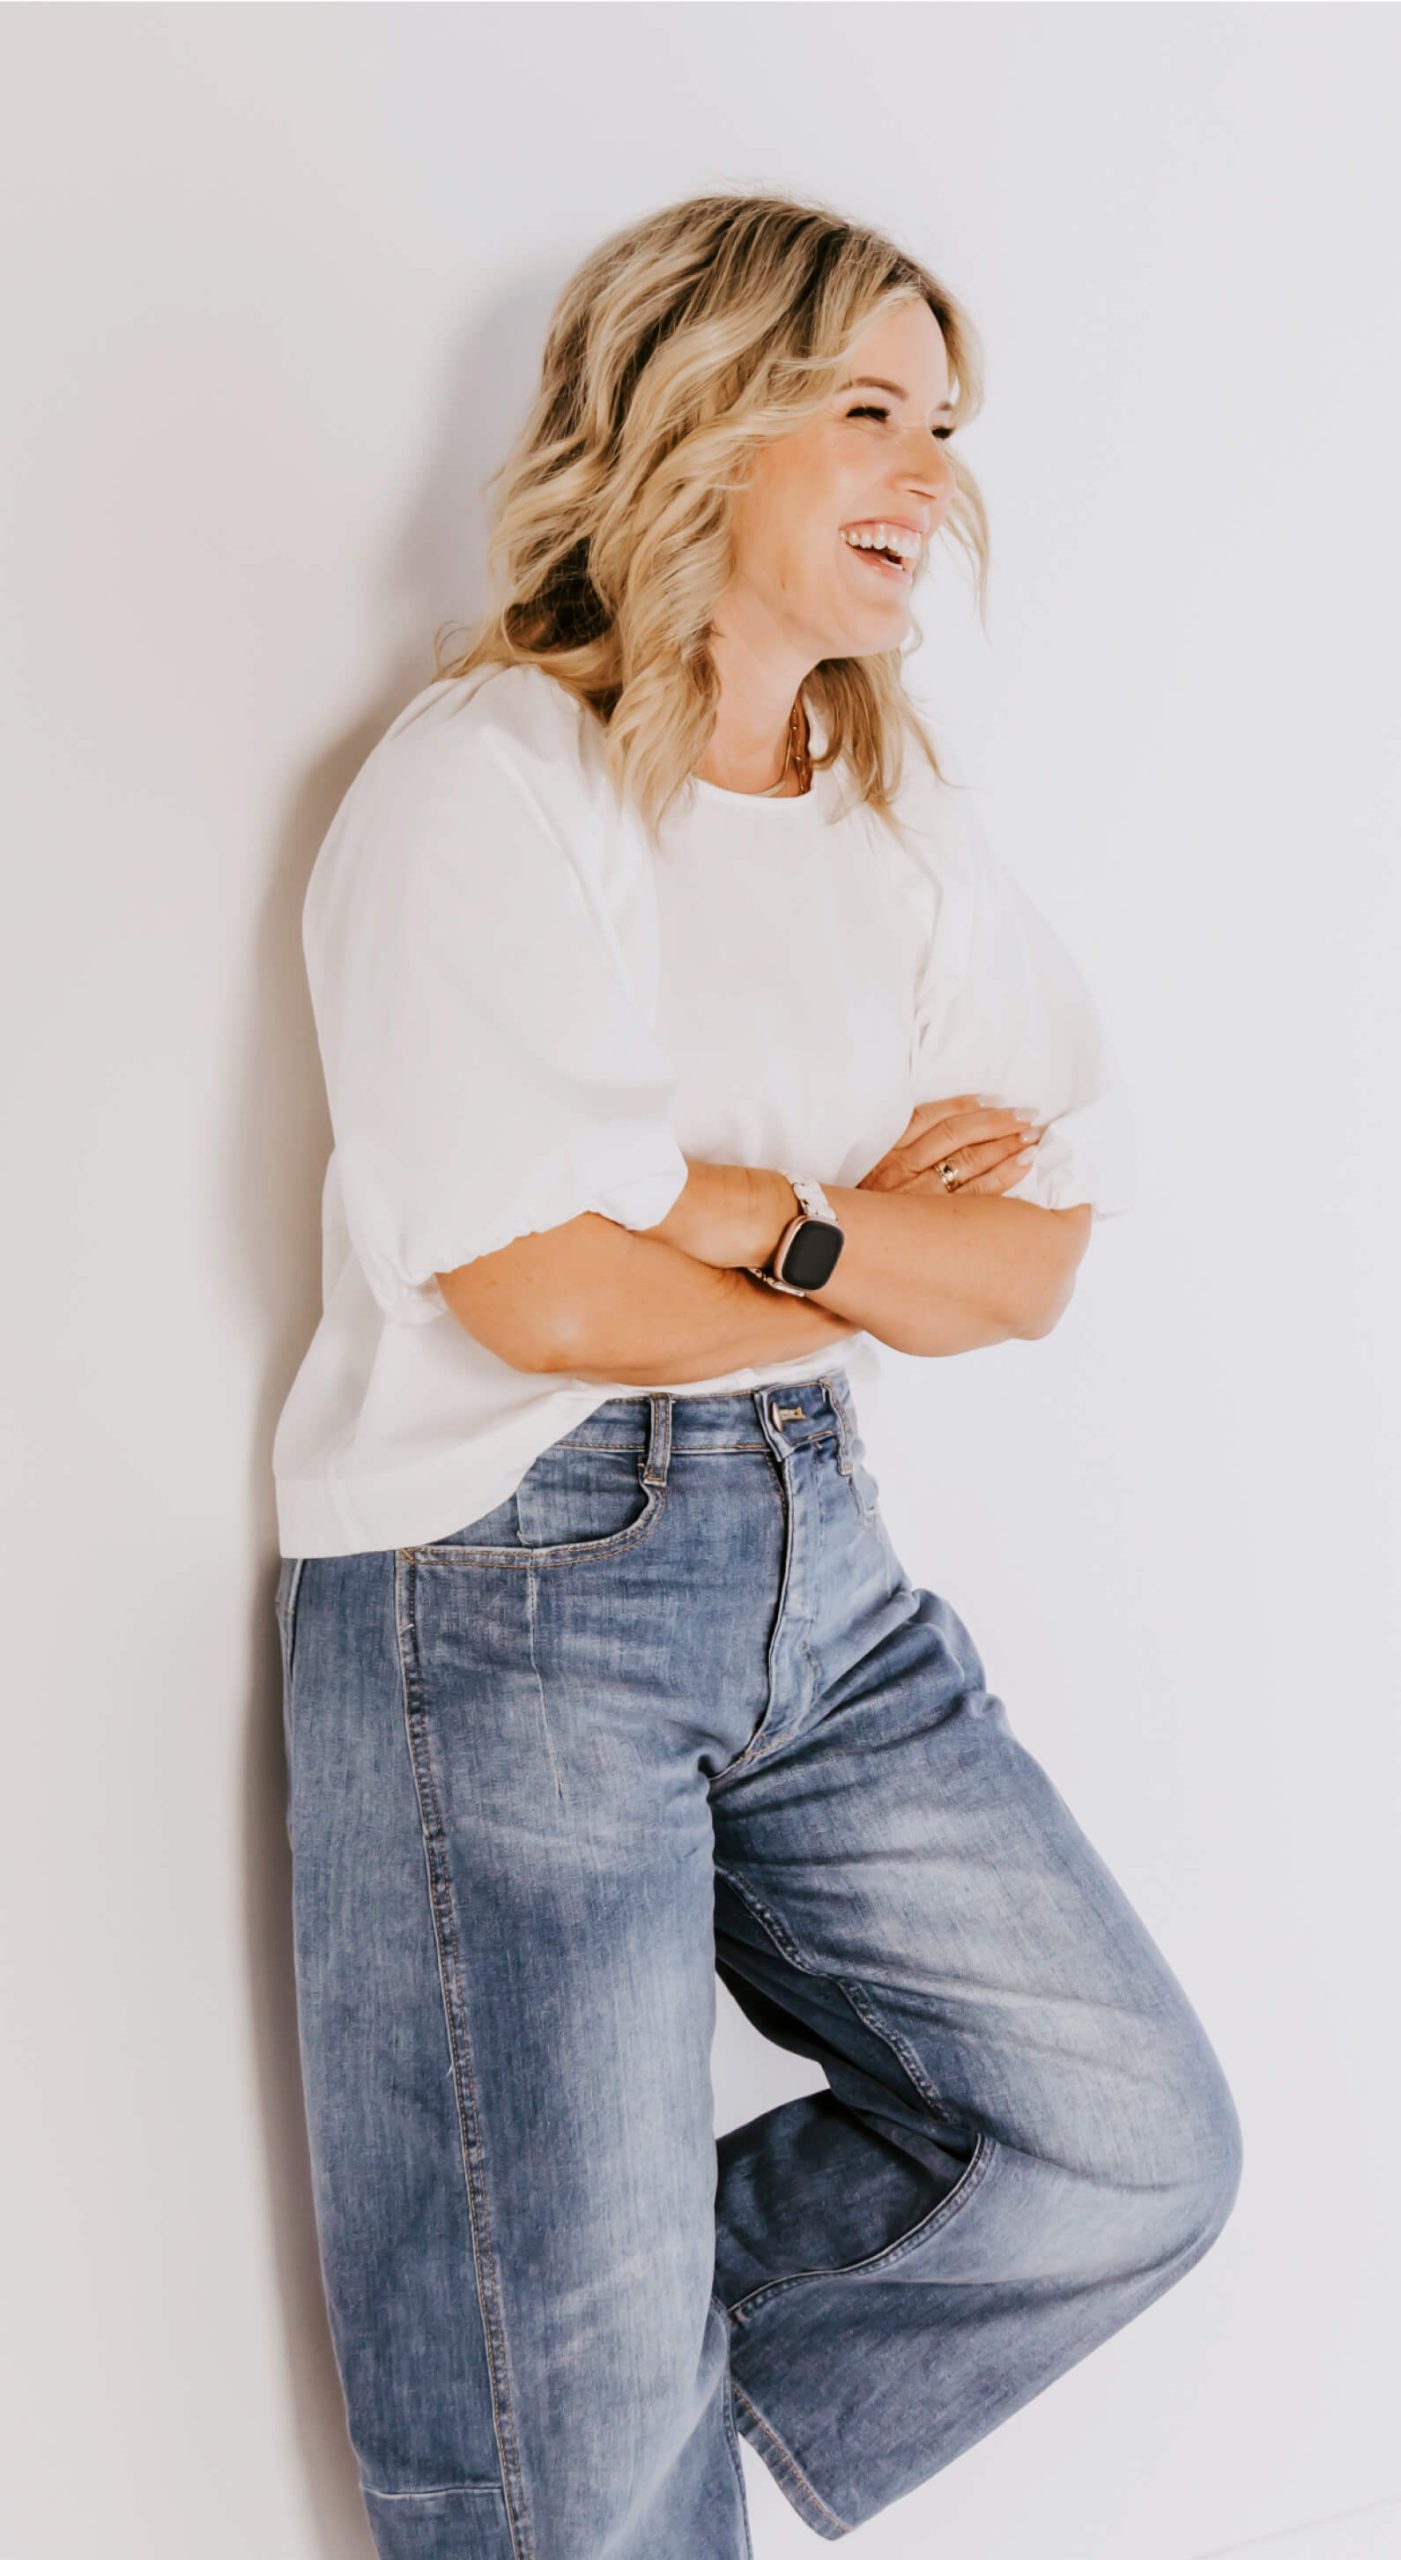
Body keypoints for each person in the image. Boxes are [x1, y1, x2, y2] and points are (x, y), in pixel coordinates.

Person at [271, 193, 1242, 2559]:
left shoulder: (885, 802)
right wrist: (863, 1254)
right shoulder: (491, 779)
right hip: (513, 1593)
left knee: (1117, 2137)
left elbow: (1033, 1259)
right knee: (571, 2437)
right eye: (867, 409)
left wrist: (757, 1213)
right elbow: (542, 1298)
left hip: (824, 1573)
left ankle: (566, 2431)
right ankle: (560, 2441)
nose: (928, 470)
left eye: (945, 424)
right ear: (701, 411)